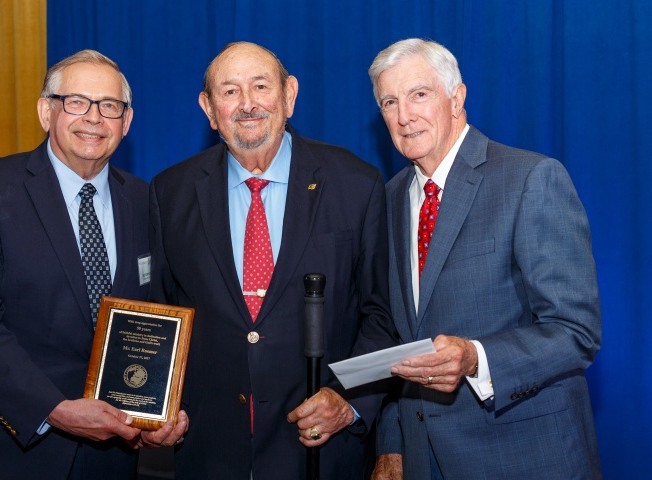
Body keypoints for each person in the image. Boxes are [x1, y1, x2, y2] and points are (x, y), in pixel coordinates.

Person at [0, 49, 186, 480]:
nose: (94, 118)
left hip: (111, 457)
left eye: (109, 106)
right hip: (4, 450)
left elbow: (158, 311)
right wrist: (53, 408)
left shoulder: (145, 201)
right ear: (46, 111)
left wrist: (165, 407)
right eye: (76, 101)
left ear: (127, 122)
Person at [149, 41, 398, 479]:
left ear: (289, 95)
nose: (247, 104)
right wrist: (154, 407)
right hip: (208, 452)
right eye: (229, 92)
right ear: (209, 109)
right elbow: (160, 314)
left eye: (260, 86)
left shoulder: (356, 183)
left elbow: (383, 317)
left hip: (320, 453)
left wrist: (350, 401)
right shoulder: (170, 192)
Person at [369, 38, 602, 479]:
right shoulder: (389, 198)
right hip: (422, 461)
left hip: (523, 457)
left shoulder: (531, 178)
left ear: (456, 98)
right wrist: (393, 445)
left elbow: (577, 332)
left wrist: (475, 357)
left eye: (419, 94)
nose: (404, 116)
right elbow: (400, 338)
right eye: (389, 101)